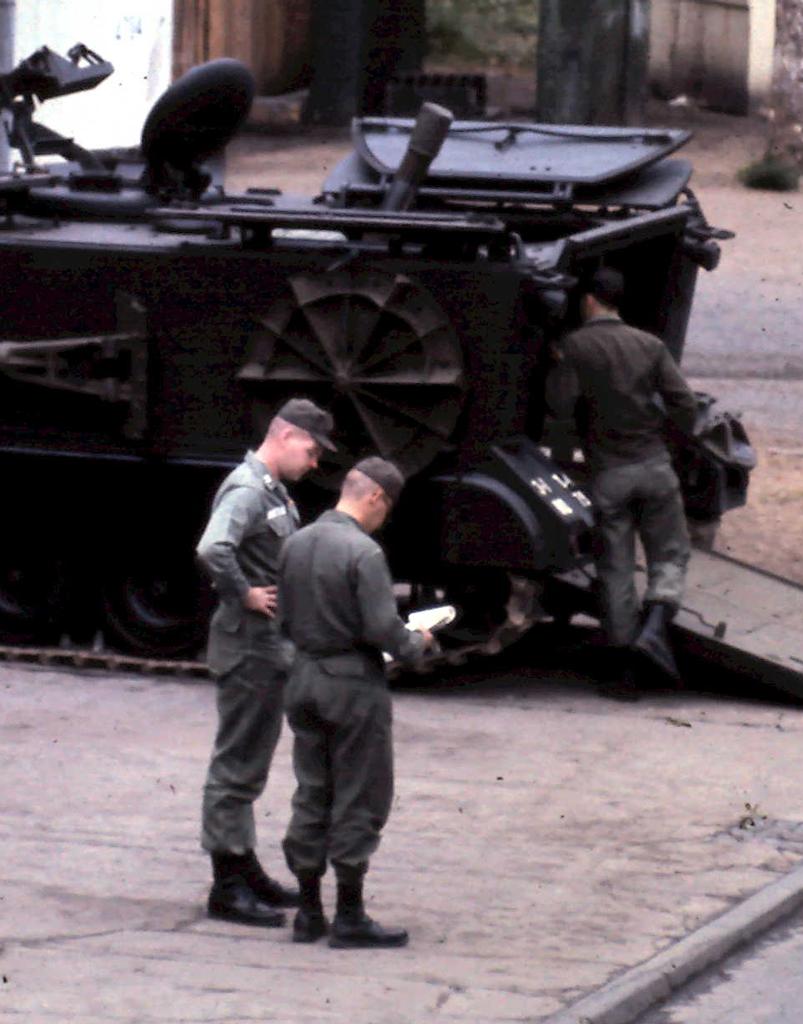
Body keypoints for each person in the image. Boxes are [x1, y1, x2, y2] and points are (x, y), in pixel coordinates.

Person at [277, 457, 435, 948]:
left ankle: (308, 912)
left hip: (302, 676)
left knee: (312, 790)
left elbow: (283, 617)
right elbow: (381, 629)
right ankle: (349, 915)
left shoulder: (295, 543)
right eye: (386, 509)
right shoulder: (364, 553)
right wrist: (418, 644)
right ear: (374, 498)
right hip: (352, 686)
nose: (383, 518)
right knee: (360, 795)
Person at [196, 397, 336, 927]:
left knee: (248, 763)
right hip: (249, 647)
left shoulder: (272, 491)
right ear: (284, 435)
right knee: (236, 765)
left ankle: (243, 865)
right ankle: (226, 885)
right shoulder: (248, 489)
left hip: (266, 649)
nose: (315, 461)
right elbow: (213, 549)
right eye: (312, 448)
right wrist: (244, 595)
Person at [546, 267, 698, 698]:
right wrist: (672, 438)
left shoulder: (575, 347)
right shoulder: (650, 346)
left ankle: (626, 671)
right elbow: (683, 402)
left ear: (590, 299)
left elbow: (559, 409)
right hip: (654, 465)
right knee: (670, 555)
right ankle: (656, 625)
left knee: (615, 569)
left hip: (608, 473)